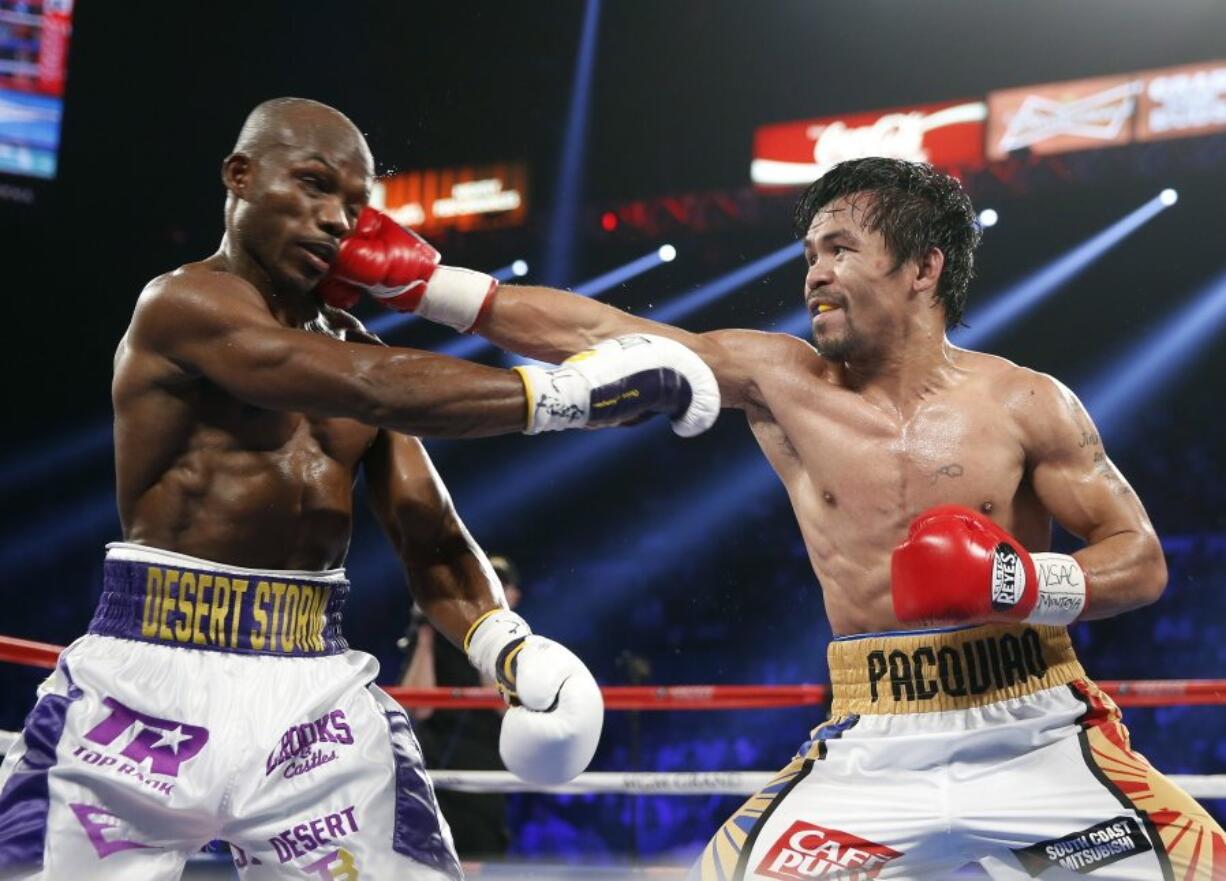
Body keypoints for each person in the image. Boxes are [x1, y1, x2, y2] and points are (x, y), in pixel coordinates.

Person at [328, 157, 1226, 879]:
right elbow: (602, 335)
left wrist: (1019, 580)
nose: (816, 273)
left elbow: (1140, 561)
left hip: (1037, 727)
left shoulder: (1028, 402)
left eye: (839, 248)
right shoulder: (781, 381)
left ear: (924, 268)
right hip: (874, 739)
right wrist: (426, 285)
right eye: (809, 255)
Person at [0, 97, 721, 881]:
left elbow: (431, 538)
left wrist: (509, 647)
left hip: (312, 693)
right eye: (313, 185)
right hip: (145, 679)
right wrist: (565, 397)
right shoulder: (180, 305)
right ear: (239, 175)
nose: (337, 220)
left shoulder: (359, 348)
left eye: (354, 206)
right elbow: (372, 388)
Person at [399, 555, 523, 859]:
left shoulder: (518, 644)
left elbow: (503, 706)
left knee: (483, 857)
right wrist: (425, 635)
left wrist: (489, 638)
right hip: (435, 763)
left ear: (513, 596)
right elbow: (419, 707)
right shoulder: (438, 637)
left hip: (486, 765)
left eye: (498, 586)